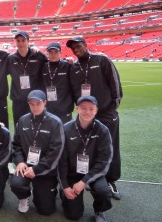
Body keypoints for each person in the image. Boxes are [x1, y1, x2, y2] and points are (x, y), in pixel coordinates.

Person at [67, 37, 123, 200]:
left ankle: (111, 180)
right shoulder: (74, 67)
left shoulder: (102, 60)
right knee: (87, 148)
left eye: (78, 46)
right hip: (85, 115)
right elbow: (74, 90)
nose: (76, 50)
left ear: (85, 45)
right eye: (73, 49)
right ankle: (91, 179)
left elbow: (115, 85)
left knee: (110, 147)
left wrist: (113, 107)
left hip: (106, 113)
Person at [58, 96, 113, 222]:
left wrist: (84, 181)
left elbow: (104, 161)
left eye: (91, 109)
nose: (87, 112)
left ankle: (99, 210)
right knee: (73, 215)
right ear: (77, 109)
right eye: (83, 108)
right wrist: (65, 186)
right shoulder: (66, 129)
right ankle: (63, 194)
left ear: (96, 110)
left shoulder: (103, 130)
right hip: (72, 174)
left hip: (93, 173)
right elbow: (61, 161)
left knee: (103, 191)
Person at [10, 90, 64, 214]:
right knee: (16, 184)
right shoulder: (22, 120)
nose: (34, 107)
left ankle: (52, 191)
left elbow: (55, 152)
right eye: (31, 104)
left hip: (45, 169)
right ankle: (24, 197)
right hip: (26, 165)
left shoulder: (55, 122)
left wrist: (36, 169)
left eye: (38, 103)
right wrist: (19, 161)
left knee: (46, 210)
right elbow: (16, 145)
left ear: (45, 102)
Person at [8, 31, 48, 126]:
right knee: (19, 126)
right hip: (18, 100)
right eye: (18, 41)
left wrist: (67, 61)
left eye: (23, 40)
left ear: (28, 41)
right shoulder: (11, 59)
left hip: (34, 100)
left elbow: (52, 65)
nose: (21, 43)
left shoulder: (39, 56)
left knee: (36, 125)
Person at [41, 42, 74, 124]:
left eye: (56, 52)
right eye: (50, 52)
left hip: (65, 108)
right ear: (47, 53)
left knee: (66, 133)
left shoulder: (67, 65)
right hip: (49, 109)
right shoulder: (43, 67)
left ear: (60, 53)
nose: (53, 54)